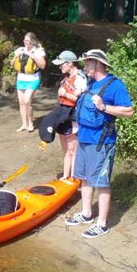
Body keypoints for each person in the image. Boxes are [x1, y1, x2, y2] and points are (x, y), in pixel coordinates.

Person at [65, 49, 134, 238]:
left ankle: (102, 223)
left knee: (101, 183)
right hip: (85, 139)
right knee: (84, 178)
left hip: (102, 142)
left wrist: (104, 106)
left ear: (98, 64)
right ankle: (86, 214)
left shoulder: (115, 85)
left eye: (88, 63)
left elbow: (129, 111)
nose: (85, 66)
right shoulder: (91, 83)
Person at [51, 50, 87, 178]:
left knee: (74, 151)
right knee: (66, 151)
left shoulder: (80, 78)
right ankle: (65, 176)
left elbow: (79, 99)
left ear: (70, 63)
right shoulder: (65, 79)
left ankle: (74, 177)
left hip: (73, 118)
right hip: (63, 117)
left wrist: (65, 94)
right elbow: (60, 99)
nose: (60, 66)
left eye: (62, 64)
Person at [10, 32, 47, 132]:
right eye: (24, 40)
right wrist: (15, 56)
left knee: (27, 101)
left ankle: (31, 123)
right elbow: (11, 64)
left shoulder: (38, 51)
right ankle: (24, 124)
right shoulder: (20, 50)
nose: (25, 42)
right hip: (21, 79)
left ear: (32, 41)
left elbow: (43, 66)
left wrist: (33, 56)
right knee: (21, 103)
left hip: (33, 79)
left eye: (27, 40)